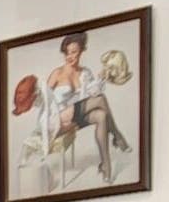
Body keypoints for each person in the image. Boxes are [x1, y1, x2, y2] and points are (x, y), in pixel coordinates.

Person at [32, 29, 126, 189]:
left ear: (81, 51)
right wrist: (36, 94)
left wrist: (101, 78)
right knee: (101, 100)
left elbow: (93, 94)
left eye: (74, 52)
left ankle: (106, 164)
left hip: (73, 117)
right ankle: (117, 136)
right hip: (55, 120)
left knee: (101, 116)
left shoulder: (86, 73)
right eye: (67, 53)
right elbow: (44, 102)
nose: (70, 56)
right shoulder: (57, 73)